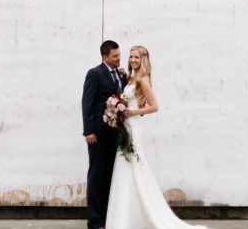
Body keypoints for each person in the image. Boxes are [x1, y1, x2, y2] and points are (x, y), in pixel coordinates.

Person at [105, 45, 207, 229]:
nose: (133, 60)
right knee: (124, 166)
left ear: (143, 59)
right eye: (131, 57)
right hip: (125, 126)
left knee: (134, 164)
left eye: (137, 57)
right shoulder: (130, 78)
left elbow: (155, 106)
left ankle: (144, 213)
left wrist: (131, 112)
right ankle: (126, 217)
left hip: (134, 127)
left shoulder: (143, 79)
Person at [82, 40, 124, 229]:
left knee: (110, 176)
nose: (118, 58)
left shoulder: (121, 75)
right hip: (98, 134)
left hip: (115, 135)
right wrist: (89, 131)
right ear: (105, 56)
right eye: (114, 56)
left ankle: (108, 217)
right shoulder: (95, 74)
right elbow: (87, 103)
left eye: (119, 55)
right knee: (97, 176)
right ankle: (95, 220)